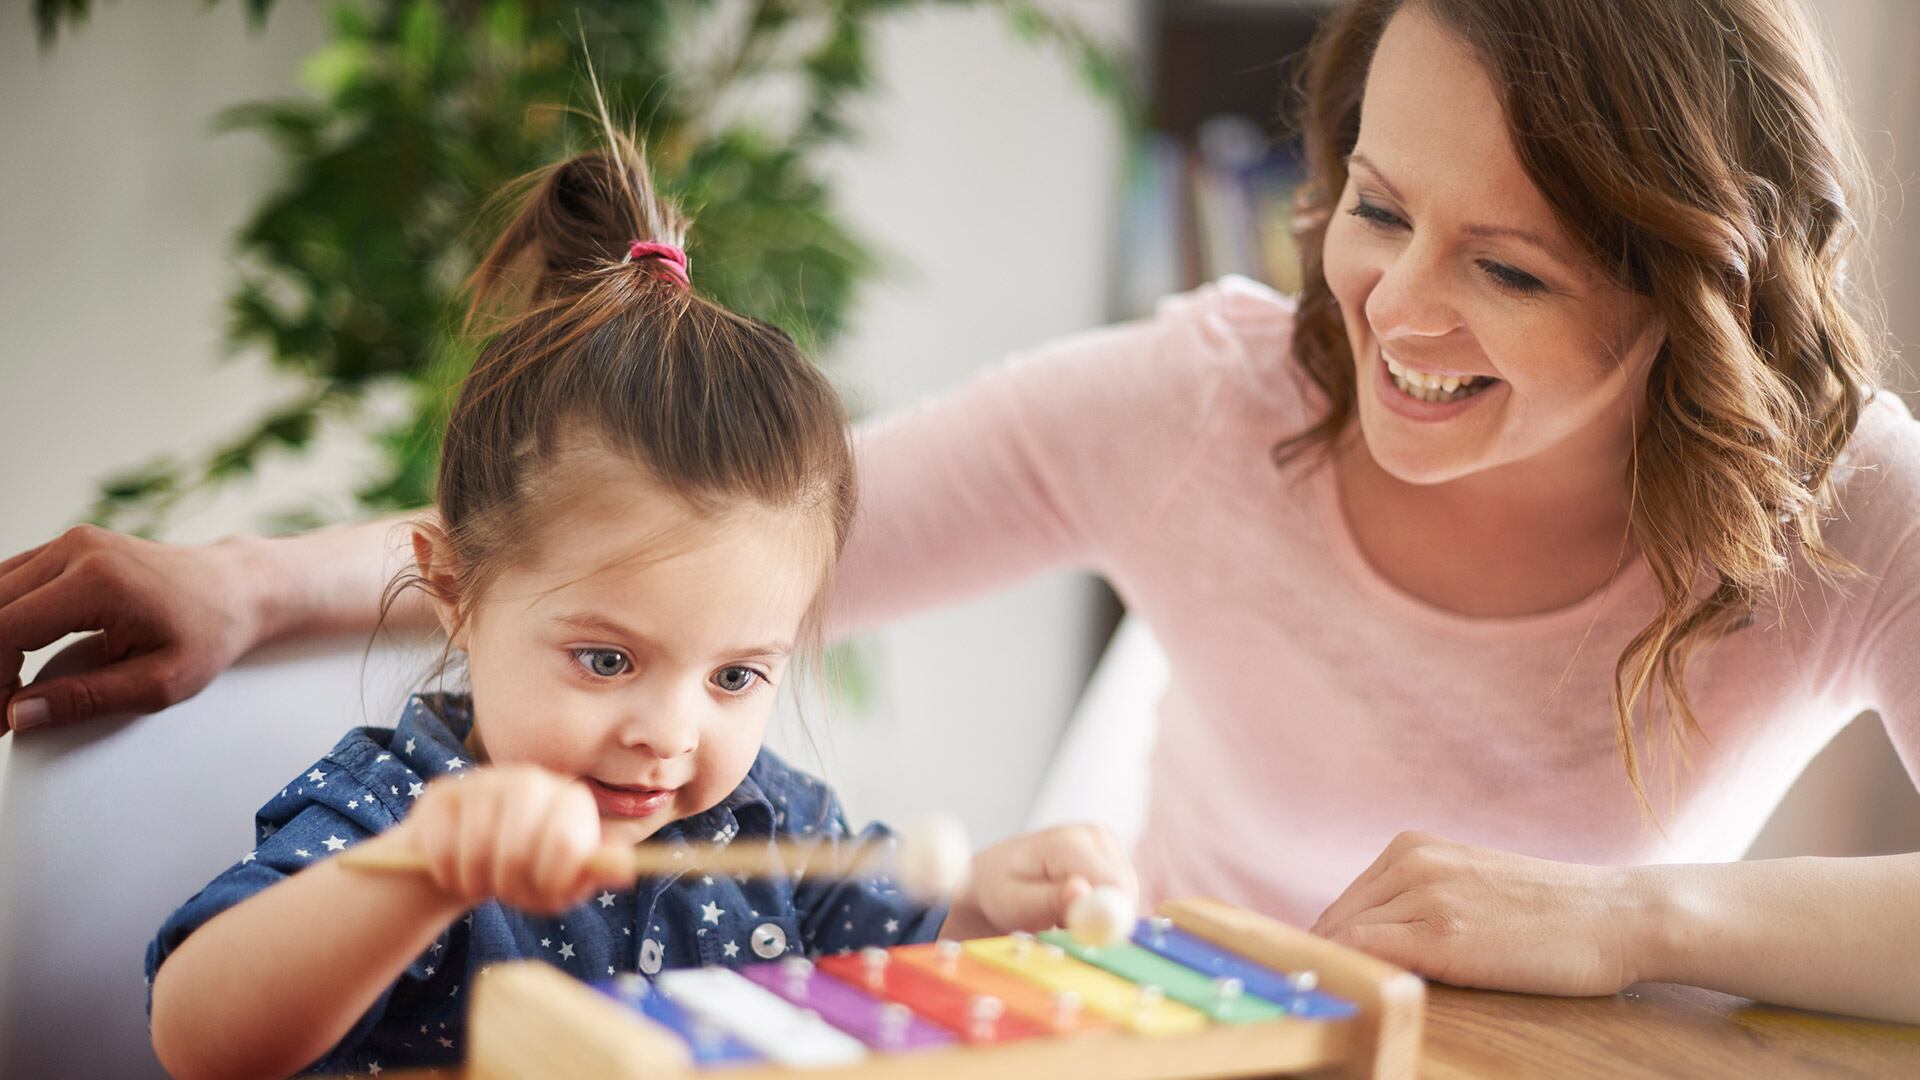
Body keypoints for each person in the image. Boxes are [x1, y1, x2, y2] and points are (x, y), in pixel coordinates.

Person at [6, 0, 1918, 1025]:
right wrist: (253, 586)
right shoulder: (1207, 401)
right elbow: (676, 545)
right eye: (1379, 206)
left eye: (1509, 266)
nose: (1395, 311)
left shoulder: (1853, 509)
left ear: (1705, 283)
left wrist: (1627, 922)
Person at [136, 126, 1135, 1080]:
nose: (668, 733)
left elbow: (907, 981)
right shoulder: (396, 812)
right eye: (607, 660)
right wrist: (417, 879)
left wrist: (987, 911)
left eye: (736, 675)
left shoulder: (773, 829)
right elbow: (198, 1037)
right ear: (451, 590)